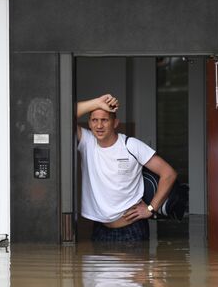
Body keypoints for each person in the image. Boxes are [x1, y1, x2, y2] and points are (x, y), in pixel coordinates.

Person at [77, 94, 188, 242]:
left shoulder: (131, 145)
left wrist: (150, 209)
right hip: (100, 229)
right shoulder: (87, 143)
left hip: (132, 230)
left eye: (104, 120)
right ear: (89, 123)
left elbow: (168, 174)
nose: (99, 125)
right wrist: (98, 102)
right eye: (94, 120)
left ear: (115, 123)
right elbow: (62, 113)